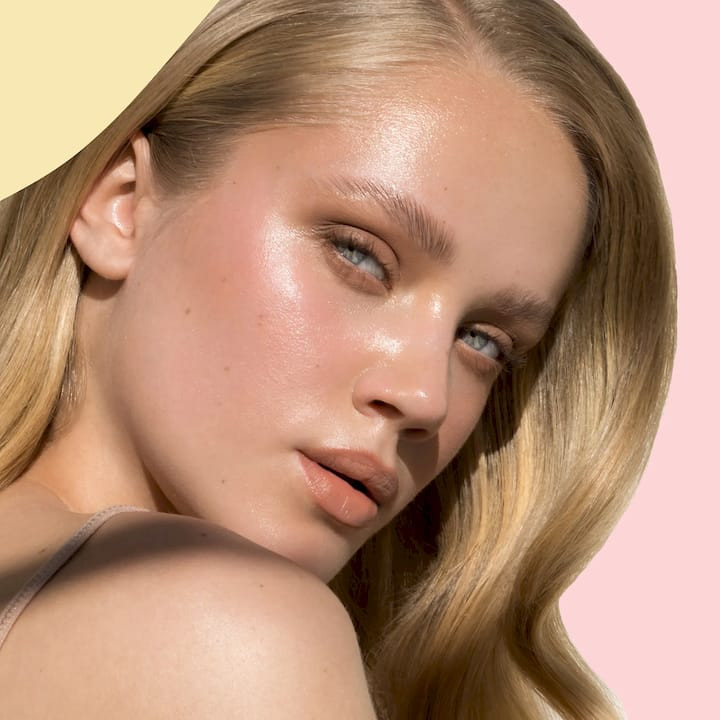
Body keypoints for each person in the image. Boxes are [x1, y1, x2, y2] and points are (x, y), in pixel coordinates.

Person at [0, 0, 675, 718]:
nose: (426, 397)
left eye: (483, 340)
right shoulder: (229, 630)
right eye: (361, 256)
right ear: (122, 202)